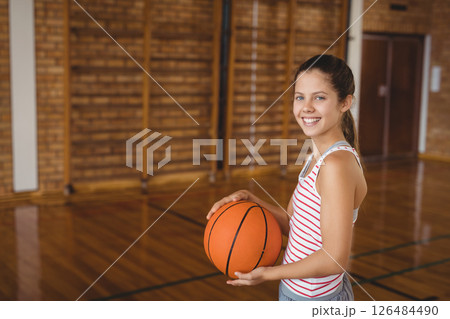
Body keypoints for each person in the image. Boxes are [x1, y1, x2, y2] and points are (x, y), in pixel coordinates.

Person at [206, 54, 367, 301]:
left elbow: (334, 258)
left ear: (345, 103)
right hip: (294, 292)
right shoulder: (317, 156)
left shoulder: (337, 165)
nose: (307, 107)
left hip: (317, 300)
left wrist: (268, 274)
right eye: (300, 97)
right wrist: (252, 200)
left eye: (320, 97)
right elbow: (296, 225)